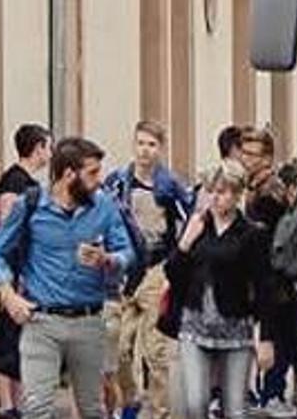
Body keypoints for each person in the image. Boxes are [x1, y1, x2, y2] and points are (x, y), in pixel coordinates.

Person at [0, 137, 136, 419]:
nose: (98, 179)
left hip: (89, 320)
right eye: (92, 173)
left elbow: (127, 252)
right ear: (69, 174)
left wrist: (107, 260)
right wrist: (8, 295)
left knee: (92, 409)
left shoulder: (103, 206)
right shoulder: (30, 205)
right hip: (41, 320)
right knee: (37, 409)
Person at [166, 161, 276, 419]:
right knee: (196, 403)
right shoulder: (197, 226)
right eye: (211, 191)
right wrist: (185, 242)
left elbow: (264, 286)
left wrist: (266, 338)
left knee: (235, 409)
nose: (216, 197)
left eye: (223, 191)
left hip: (235, 327)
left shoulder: (252, 234)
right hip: (195, 325)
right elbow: (173, 273)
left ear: (237, 195)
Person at [101, 121, 192, 419]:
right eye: (141, 143)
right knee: (119, 348)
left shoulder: (169, 186)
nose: (145, 151)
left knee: (155, 351)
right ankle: (130, 400)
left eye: (152, 144)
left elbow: (188, 220)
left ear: (160, 149)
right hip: (125, 271)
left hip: (157, 269)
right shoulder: (117, 182)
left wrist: (177, 264)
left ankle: (159, 411)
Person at [0, 123, 53, 419]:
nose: (50, 153)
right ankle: (7, 408)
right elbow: (8, 233)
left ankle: (16, 406)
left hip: (20, 275)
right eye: (48, 147)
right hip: (14, 278)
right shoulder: (15, 183)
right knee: (6, 342)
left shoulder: (26, 182)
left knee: (17, 341)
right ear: (38, 148)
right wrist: (15, 278)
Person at [255, 160, 297, 418]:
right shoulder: (280, 214)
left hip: (291, 290)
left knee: (291, 346)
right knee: (283, 345)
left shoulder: (296, 212)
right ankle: (272, 393)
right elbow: (279, 257)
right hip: (281, 289)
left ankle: (280, 393)